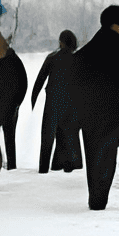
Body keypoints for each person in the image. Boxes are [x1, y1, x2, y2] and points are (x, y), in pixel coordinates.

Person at [72, 6, 119, 210]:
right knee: (106, 158)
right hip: (114, 111)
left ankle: (95, 198)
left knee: (94, 156)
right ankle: (98, 201)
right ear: (117, 25)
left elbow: (74, 80)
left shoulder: (86, 50)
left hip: (89, 112)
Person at [31, 30, 82, 173]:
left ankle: (44, 168)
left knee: (47, 136)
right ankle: (69, 165)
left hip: (53, 101)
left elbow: (40, 80)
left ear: (61, 42)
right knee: (69, 136)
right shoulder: (77, 58)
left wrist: (33, 100)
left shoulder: (52, 57)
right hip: (72, 103)